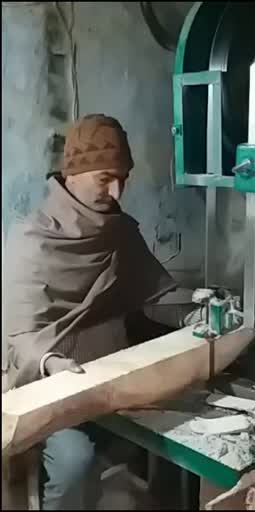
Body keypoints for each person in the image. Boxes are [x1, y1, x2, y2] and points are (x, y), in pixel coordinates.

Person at [3, 114, 178, 509]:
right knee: (76, 463)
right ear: (73, 173)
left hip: (111, 378)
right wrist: (52, 364)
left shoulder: (118, 231)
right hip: (51, 386)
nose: (117, 192)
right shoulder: (32, 239)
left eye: (123, 179)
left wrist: (197, 313)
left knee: (170, 436)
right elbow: (21, 341)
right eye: (105, 179)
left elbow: (156, 293)